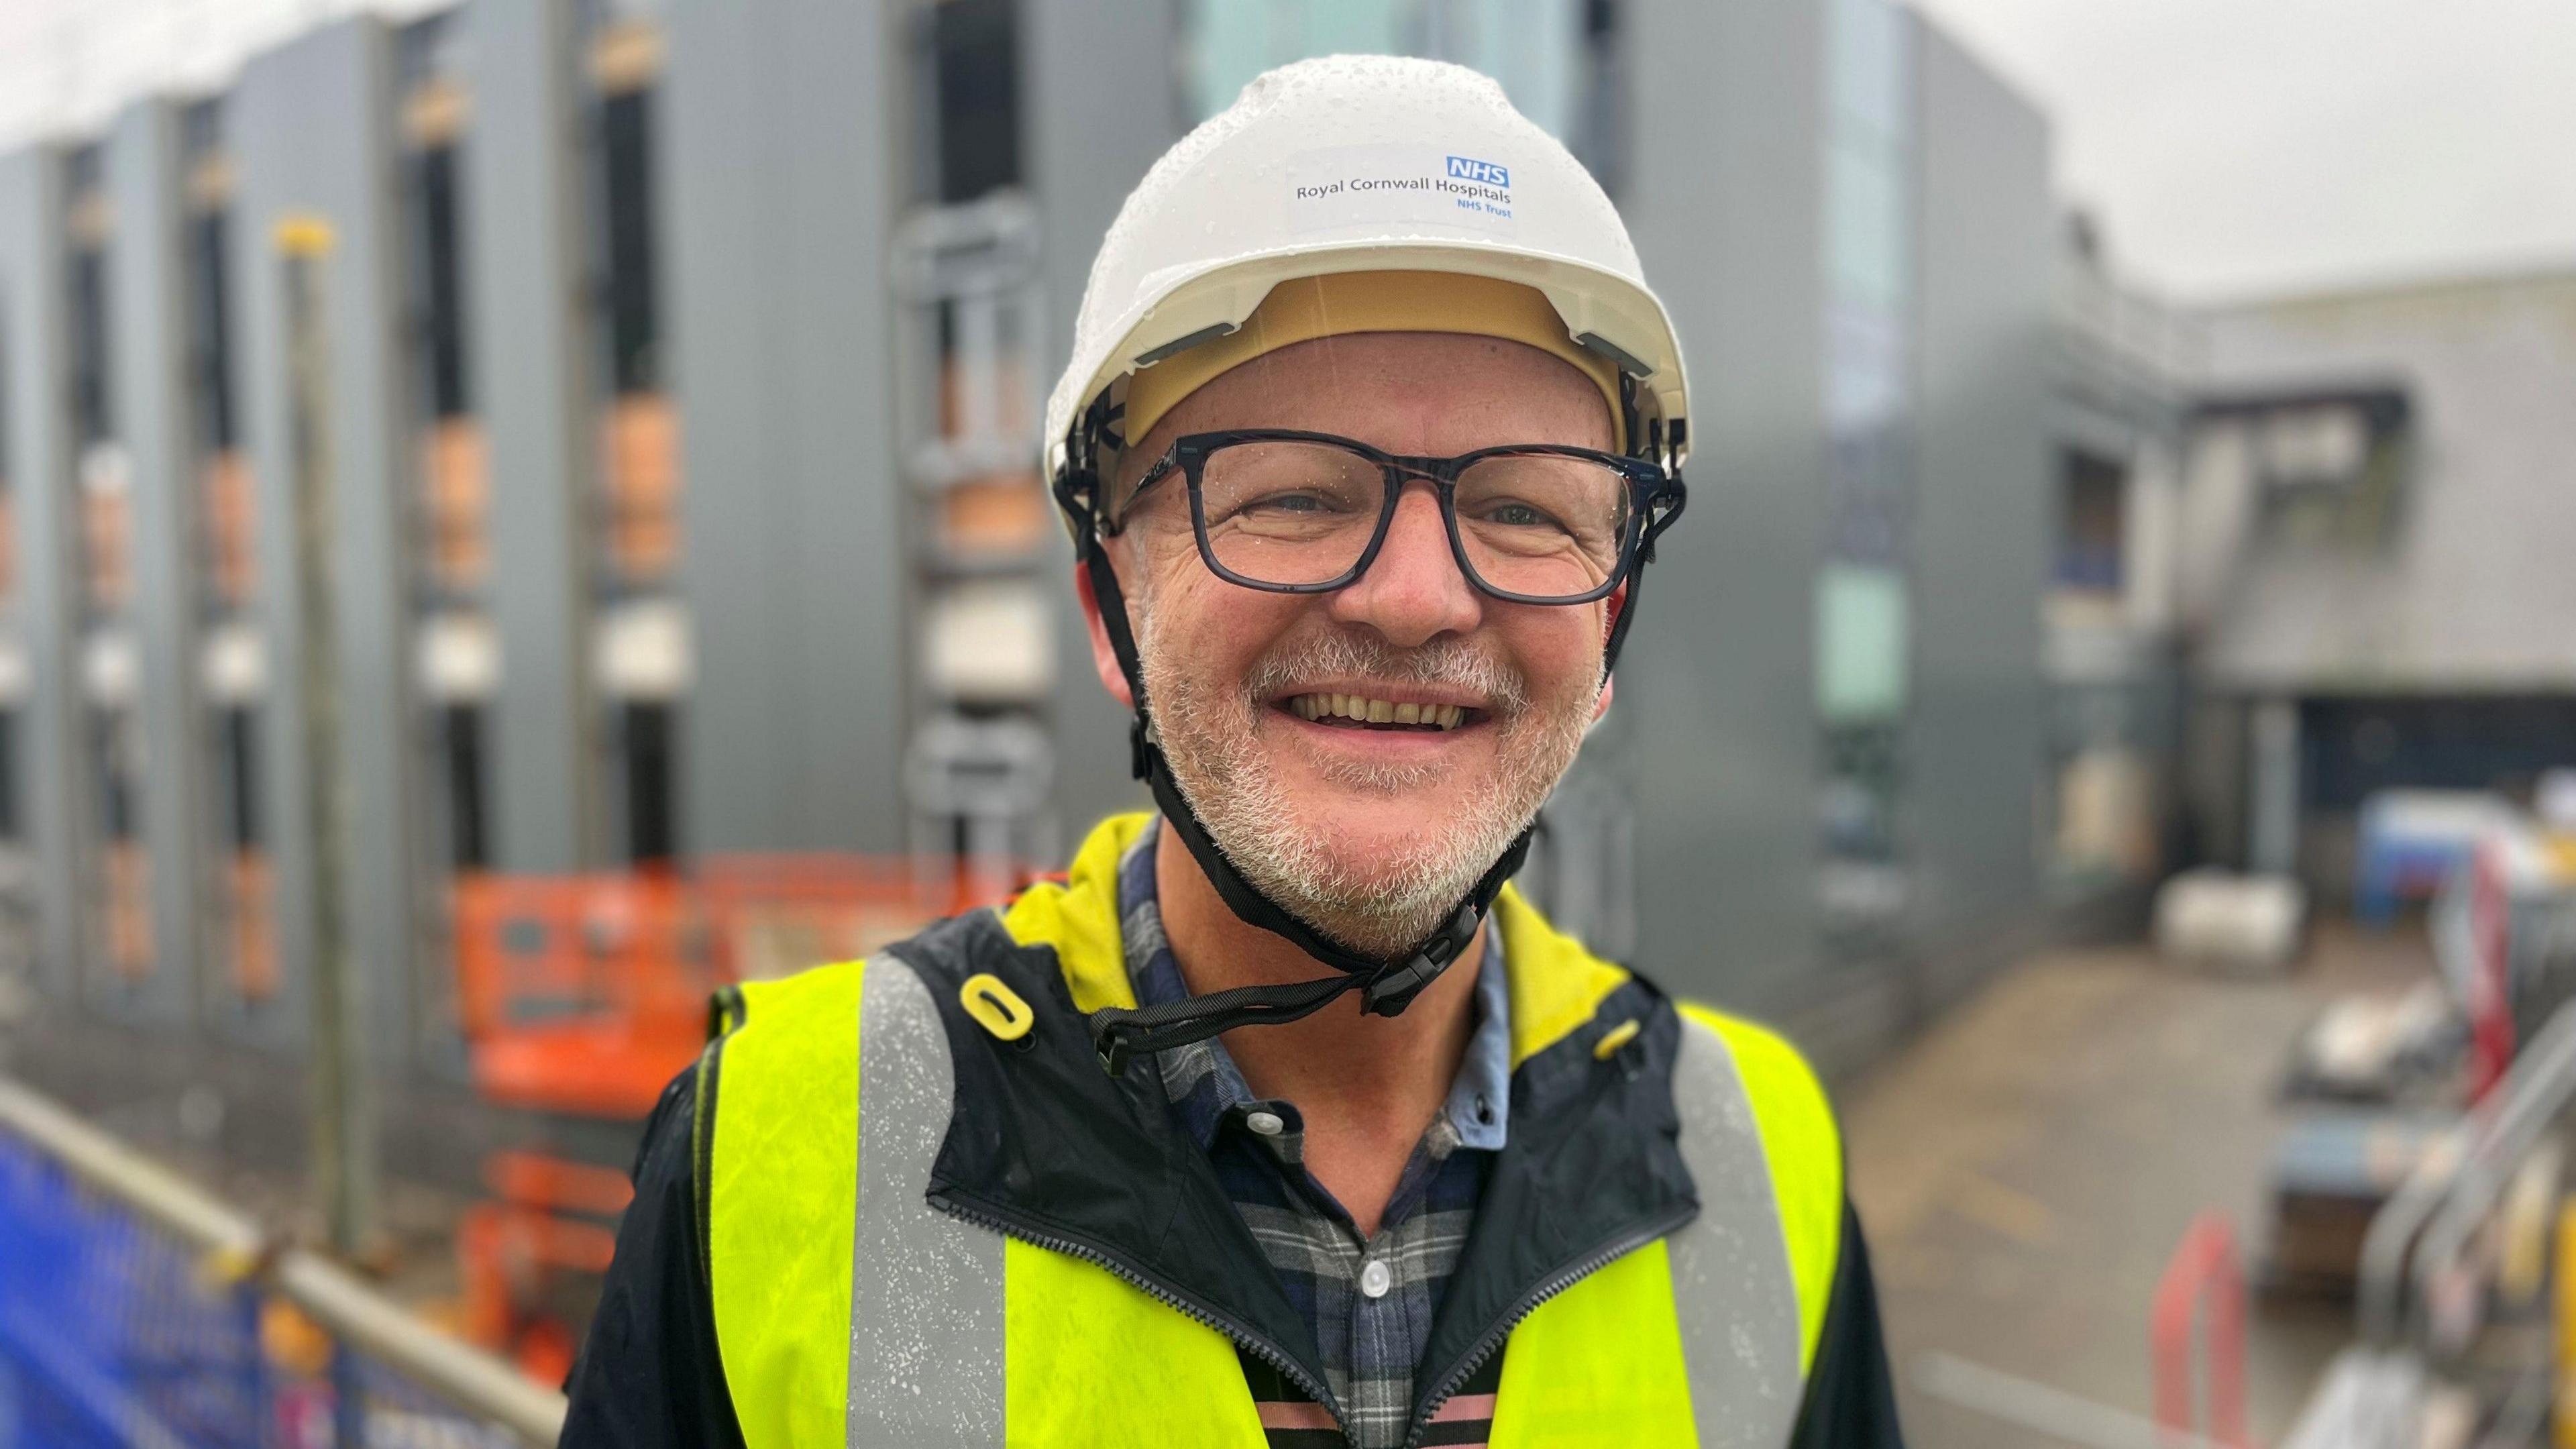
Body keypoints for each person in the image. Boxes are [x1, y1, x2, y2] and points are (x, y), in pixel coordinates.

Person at [560, 54, 1903, 1449]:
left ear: (1609, 620)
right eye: (1296, 494)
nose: (1417, 599)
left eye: (1522, 512)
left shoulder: (1757, 1152)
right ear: (1108, 607)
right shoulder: (775, 1153)